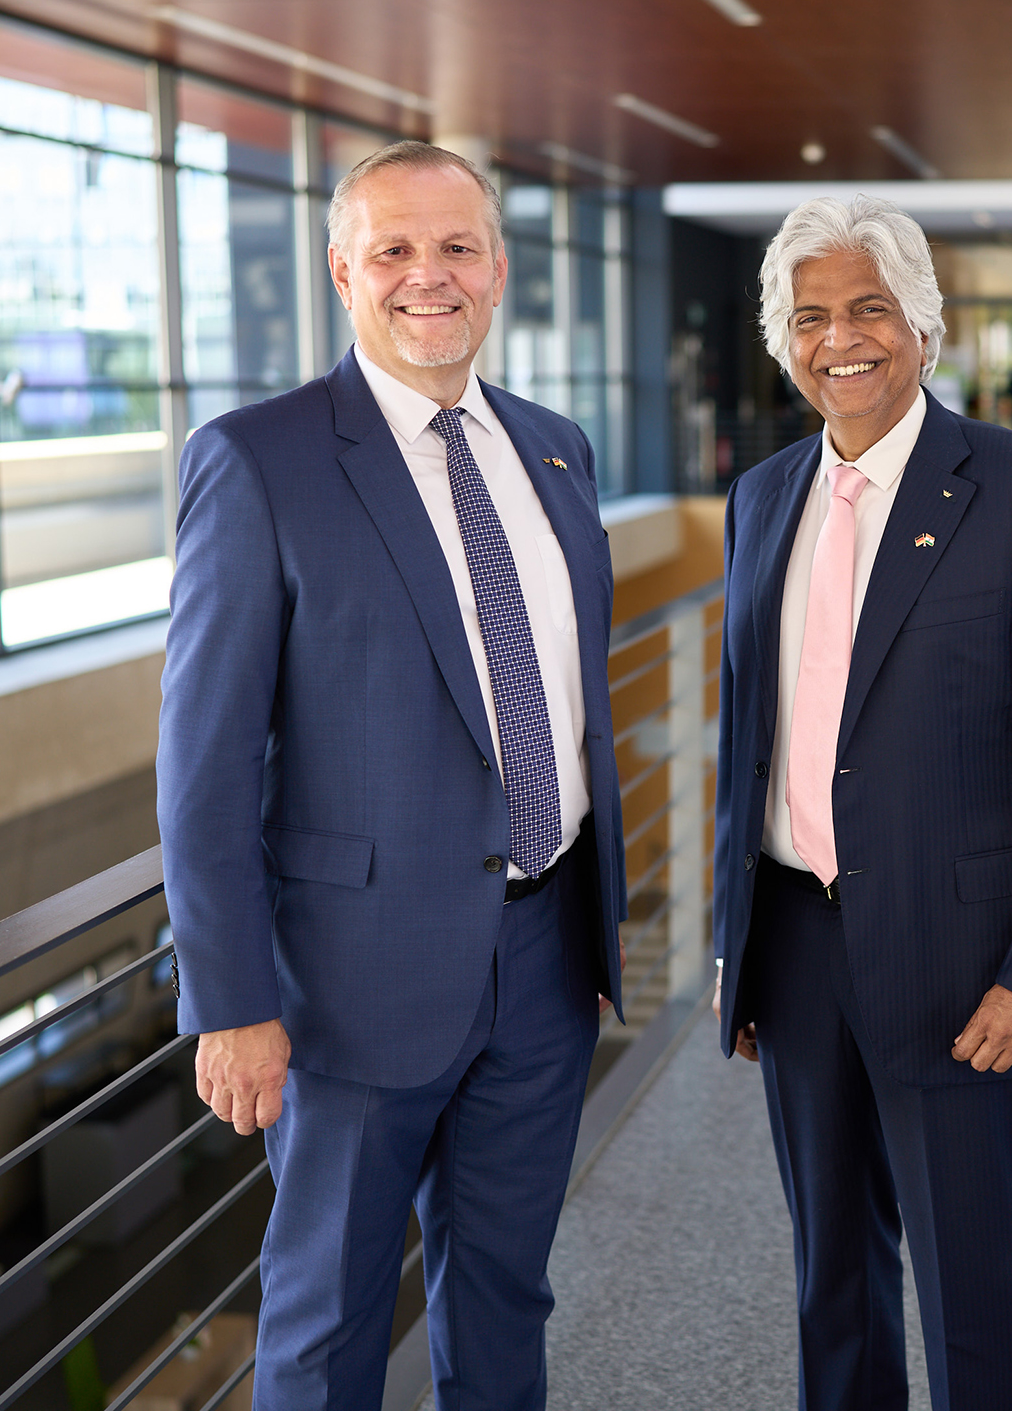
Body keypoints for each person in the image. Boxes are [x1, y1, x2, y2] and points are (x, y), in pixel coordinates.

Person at [158, 140, 624, 1411]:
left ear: (499, 268)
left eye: (457, 246)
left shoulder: (555, 449)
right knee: (327, 1319)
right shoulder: (257, 459)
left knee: (506, 1295)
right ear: (340, 271)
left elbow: (566, 698)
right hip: (347, 986)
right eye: (395, 250)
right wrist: (229, 1000)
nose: (431, 275)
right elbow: (201, 767)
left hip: (542, 959)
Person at [710, 195, 1012, 1411]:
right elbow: (749, 739)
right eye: (810, 316)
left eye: (868, 308)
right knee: (832, 1280)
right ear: (783, 340)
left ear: (922, 323)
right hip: (796, 951)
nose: (839, 339)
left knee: (978, 1287)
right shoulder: (763, 498)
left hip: (970, 967)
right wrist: (737, 954)